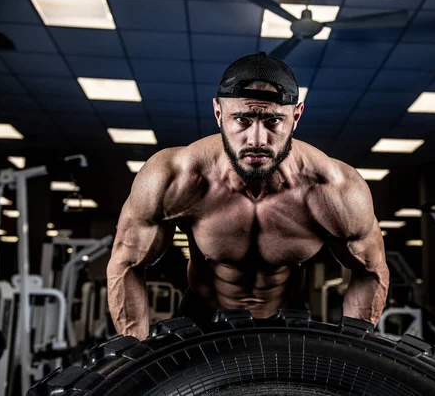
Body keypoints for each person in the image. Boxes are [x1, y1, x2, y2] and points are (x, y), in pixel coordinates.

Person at [106, 52, 389, 340]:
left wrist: (357, 351)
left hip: (286, 321)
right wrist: (135, 352)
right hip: (203, 319)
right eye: (242, 119)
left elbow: (371, 271)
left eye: (273, 121)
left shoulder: (335, 188)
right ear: (219, 114)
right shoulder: (174, 177)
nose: (256, 140)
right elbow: (127, 263)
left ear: (296, 116)